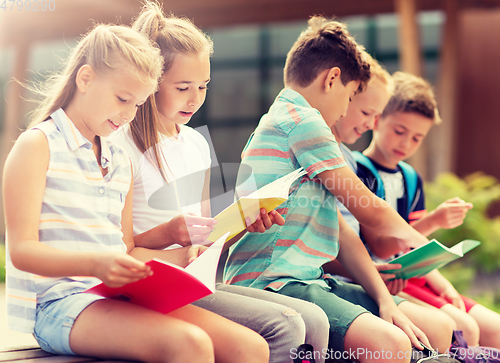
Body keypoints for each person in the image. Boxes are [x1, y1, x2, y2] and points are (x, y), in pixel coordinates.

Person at [3, 24, 269, 363]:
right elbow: (22, 251)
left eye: (139, 103)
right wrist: (98, 264)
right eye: (122, 99)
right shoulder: (37, 146)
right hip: (61, 303)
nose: (129, 115)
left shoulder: (118, 159)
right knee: (190, 345)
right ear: (85, 79)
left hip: (120, 296)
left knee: (251, 347)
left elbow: (126, 247)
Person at [223, 16, 454, 363]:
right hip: (273, 281)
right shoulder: (302, 120)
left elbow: (344, 232)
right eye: (350, 97)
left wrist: (385, 300)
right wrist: (425, 245)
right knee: (390, 344)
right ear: (332, 79)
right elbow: (368, 208)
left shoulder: (298, 124)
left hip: (312, 280)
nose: (346, 110)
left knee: (436, 327)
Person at [110, 2, 330, 362]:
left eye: (203, 86)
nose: (195, 98)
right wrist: (175, 238)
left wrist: (246, 222)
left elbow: (203, 238)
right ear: (150, 81)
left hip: (197, 277)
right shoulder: (123, 146)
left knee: (316, 322)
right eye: (183, 87)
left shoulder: (195, 142)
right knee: (286, 326)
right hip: (151, 284)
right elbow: (125, 252)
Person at [354, 71, 500, 349]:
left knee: (495, 329)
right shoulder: (359, 173)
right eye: (400, 131)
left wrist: (443, 284)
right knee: (465, 329)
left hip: (416, 276)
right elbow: (383, 247)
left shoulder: (411, 178)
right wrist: (434, 220)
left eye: (417, 138)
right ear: (377, 118)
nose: (406, 144)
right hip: (381, 278)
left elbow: (414, 252)